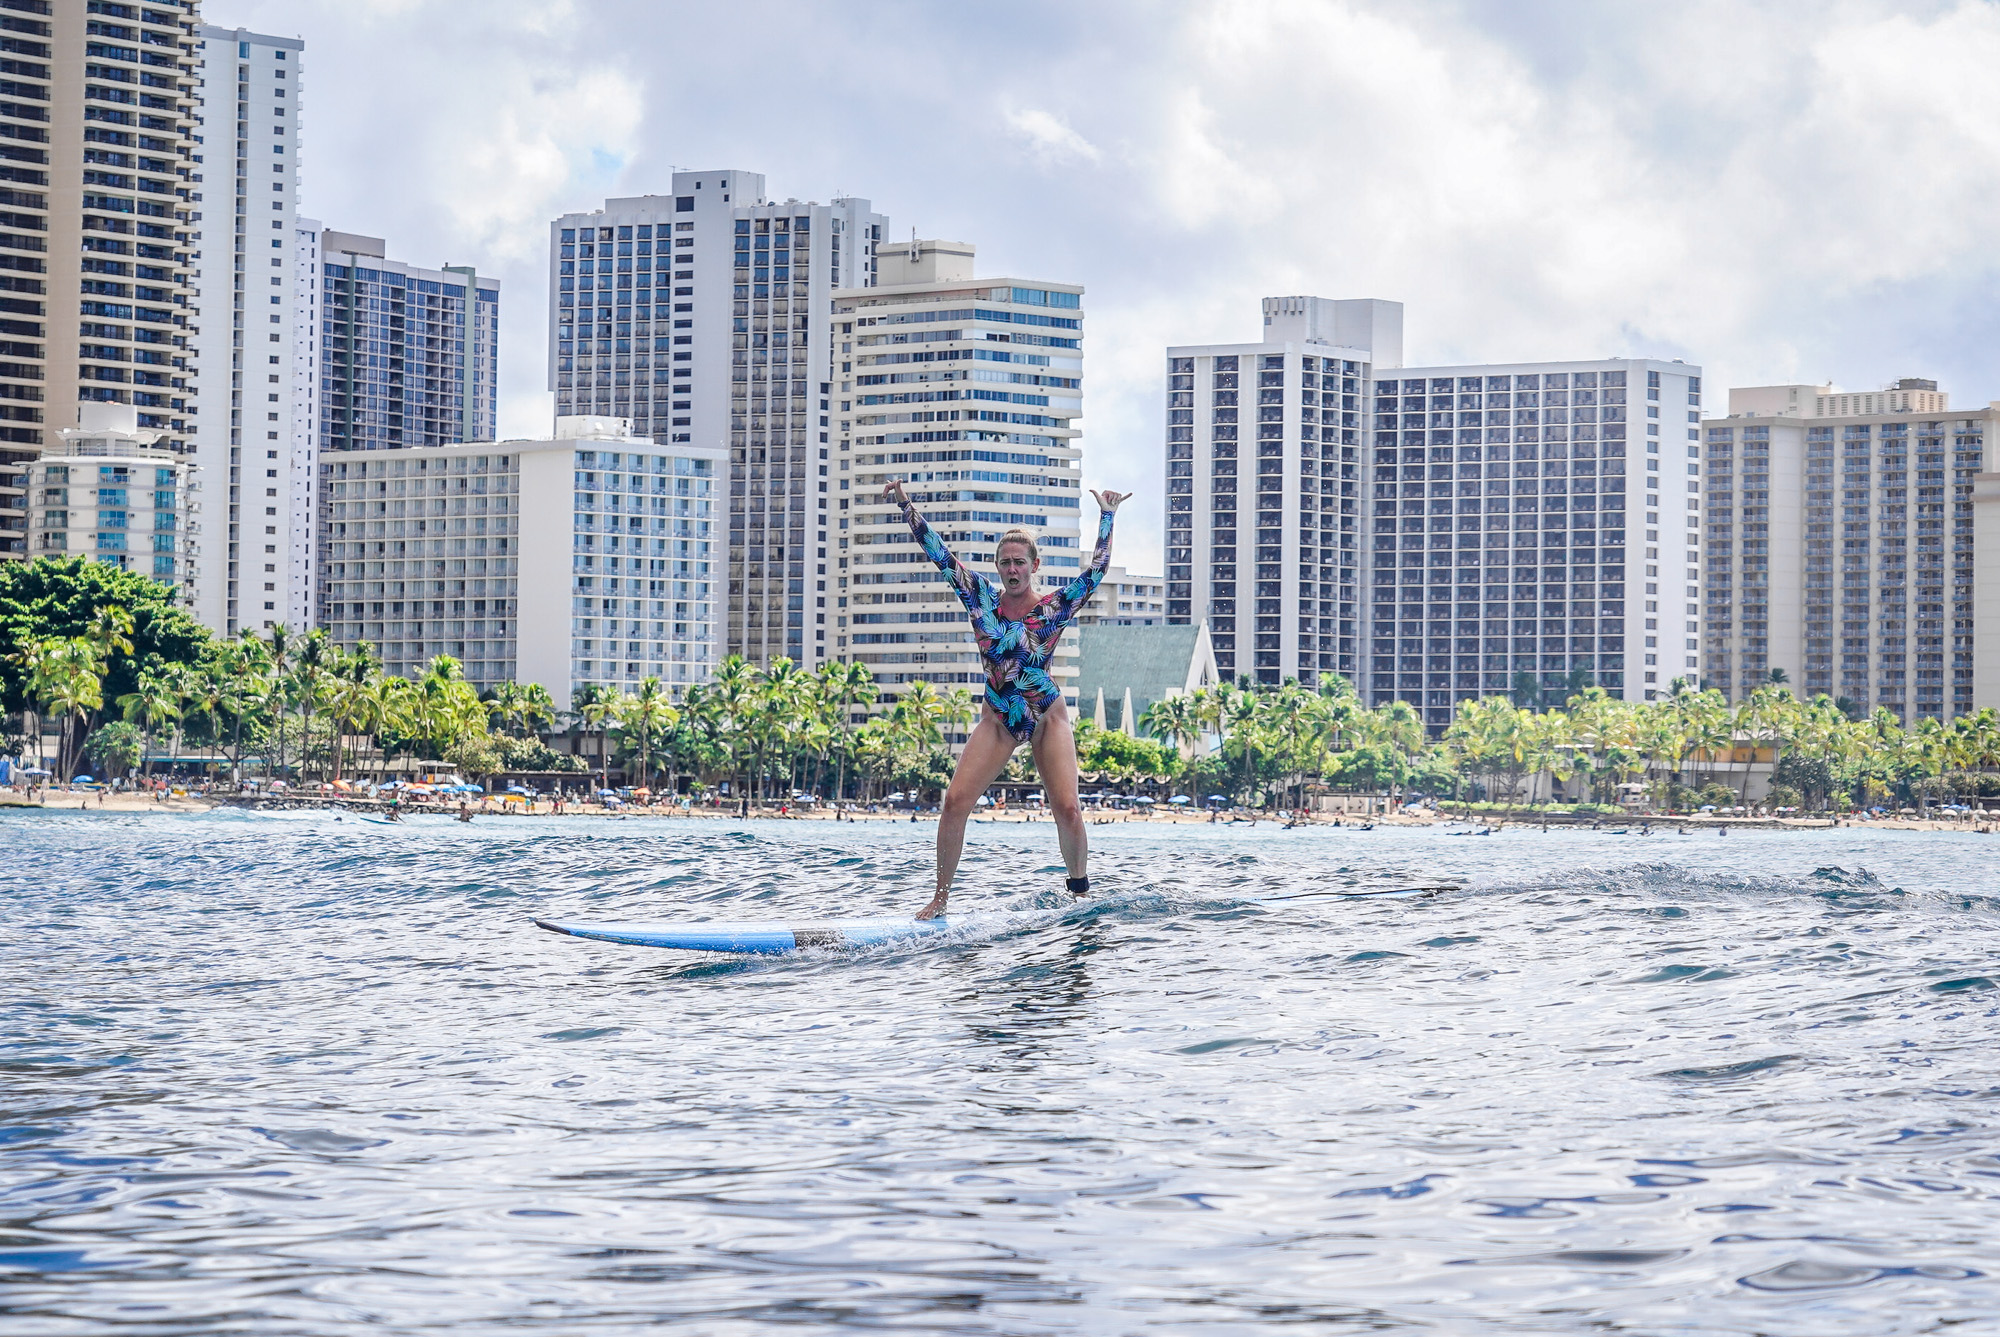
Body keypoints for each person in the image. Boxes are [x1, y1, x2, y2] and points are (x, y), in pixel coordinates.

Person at [879, 477, 1129, 919]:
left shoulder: (1054, 607)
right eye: (1004, 563)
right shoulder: (978, 598)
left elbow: (1097, 571)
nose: (1011, 570)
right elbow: (937, 552)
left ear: (1034, 565)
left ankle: (1079, 894)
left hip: (1045, 716)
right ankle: (940, 898)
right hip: (997, 719)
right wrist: (904, 503)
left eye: (1019, 562)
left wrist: (1107, 517)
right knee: (955, 802)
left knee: (1068, 809)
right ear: (997, 567)